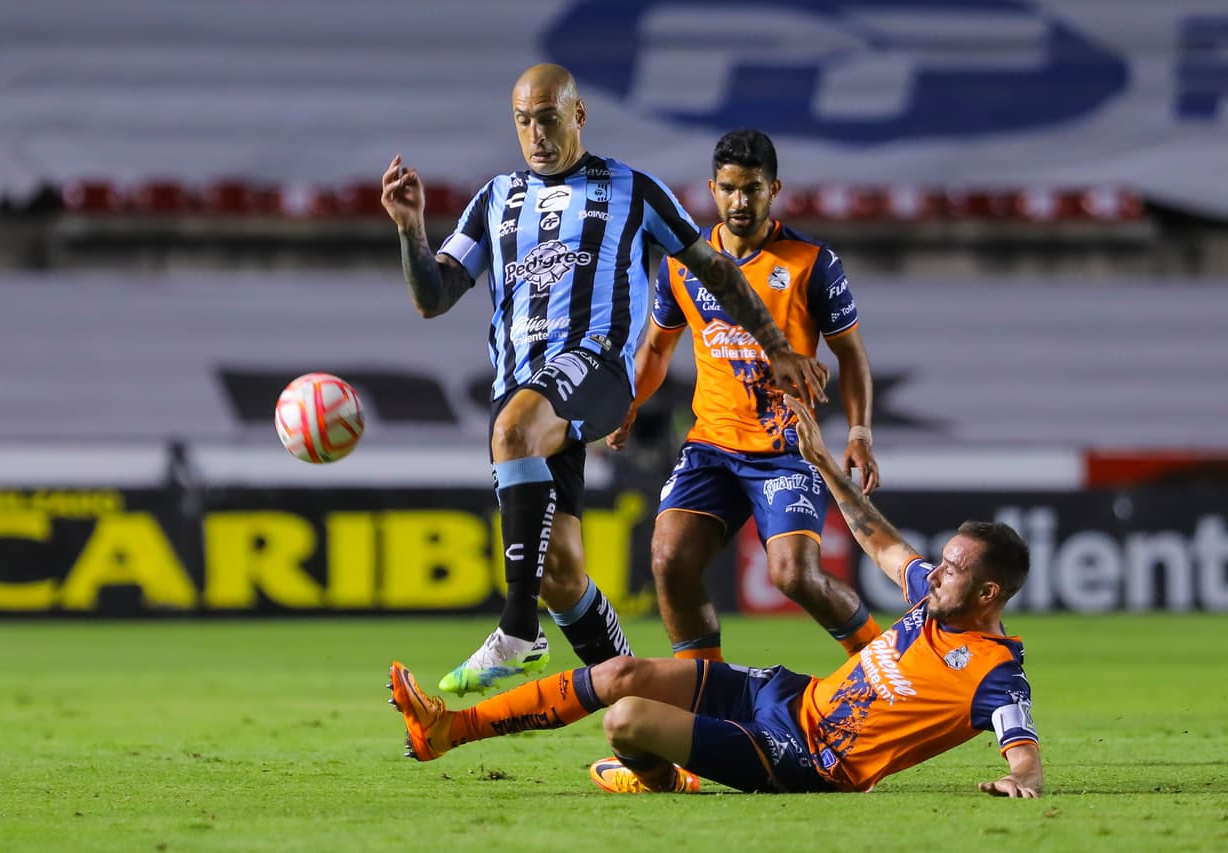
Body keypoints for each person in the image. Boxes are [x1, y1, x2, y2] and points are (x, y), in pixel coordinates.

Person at [380, 65, 827, 696]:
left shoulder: (632, 190)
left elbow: (716, 271)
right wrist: (410, 230)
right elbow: (434, 297)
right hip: (523, 387)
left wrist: (776, 344)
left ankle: (517, 629)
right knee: (561, 577)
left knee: (512, 433)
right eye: (524, 121)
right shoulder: (495, 199)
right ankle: (646, 712)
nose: (536, 134)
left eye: (549, 118)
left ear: (578, 114)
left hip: (598, 366)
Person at [388, 396, 1042, 797]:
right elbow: (882, 543)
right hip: (791, 696)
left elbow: (1023, 748)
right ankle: (449, 729)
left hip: (809, 758)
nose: (935, 574)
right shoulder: (933, 595)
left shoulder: (995, 671)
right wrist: (821, 462)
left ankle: (663, 779)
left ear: (988, 592)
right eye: (942, 562)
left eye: (952, 569)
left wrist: (1020, 780)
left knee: (625, 720)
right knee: (620, 674)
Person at [607, 129, 882, 661]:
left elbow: (850, 354)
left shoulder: (810, 262)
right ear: (712, 189)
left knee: (793, 575)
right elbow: (657, 349)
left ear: (773, 189)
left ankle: (886, 668)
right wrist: (630, 404)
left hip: (785, 448)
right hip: (711, 446)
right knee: (669, 560)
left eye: (752, 189)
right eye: (729, 188)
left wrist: (860, 433)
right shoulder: (682, 263)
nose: (739, 201)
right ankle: (706, 689)